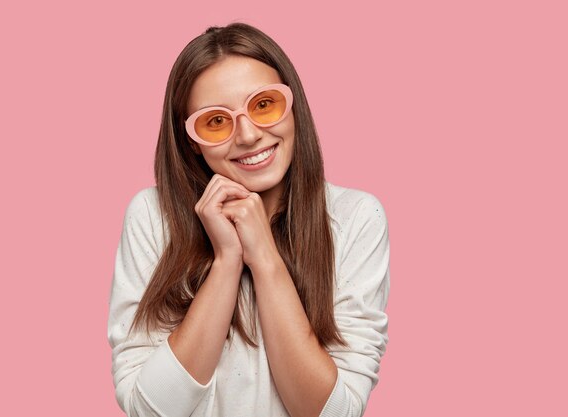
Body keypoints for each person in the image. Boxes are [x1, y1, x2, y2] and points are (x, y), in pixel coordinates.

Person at [107, 22, 390, 417]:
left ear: (294, 107)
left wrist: (265, 259)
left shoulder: (356, 218)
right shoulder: (153, 217)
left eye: (263, 105)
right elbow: (152, 411)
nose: (248, 135)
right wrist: (227, 261)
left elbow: (334, 413)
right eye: (216, 121)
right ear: (192, 141)